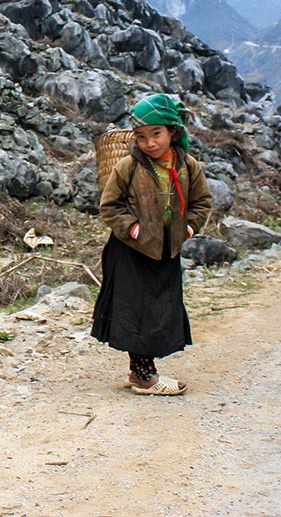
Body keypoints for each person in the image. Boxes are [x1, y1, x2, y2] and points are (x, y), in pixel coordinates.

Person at [90, 93, 212, 395]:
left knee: (159, 310)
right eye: (142, 136)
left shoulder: (188, 167)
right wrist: (133, 230)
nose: (150, 143)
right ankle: (145, 377)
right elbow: (110, 206)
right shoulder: (129, 167)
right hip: (130, 252)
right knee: (137, 311)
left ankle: (139, 371)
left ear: (172, 131)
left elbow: (201, 202)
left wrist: (188, 229)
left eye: (156, 134)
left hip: (166, 252)